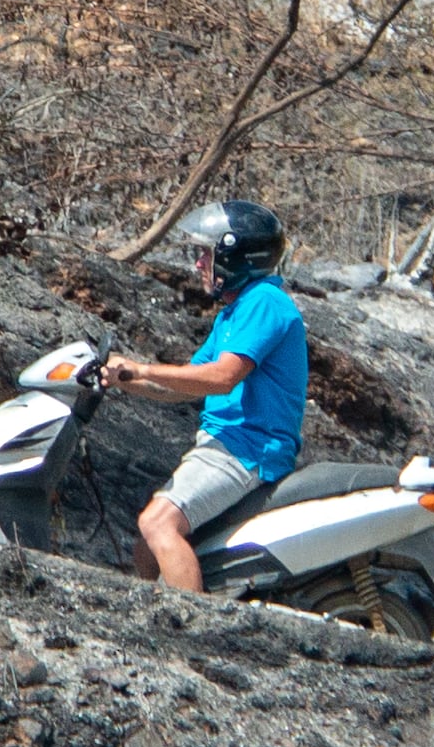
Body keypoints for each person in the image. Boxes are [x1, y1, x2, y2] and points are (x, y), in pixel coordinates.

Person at [97, 198, 304, 594]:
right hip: (224, 446)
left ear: (235, 258)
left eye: (206, 255)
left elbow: (223, 378)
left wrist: (142, 368)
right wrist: (123, 378)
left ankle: (193, 628)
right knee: (146, 547)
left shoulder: (264, 302)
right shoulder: (234, 312)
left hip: (248, 449)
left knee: (158, 523)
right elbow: (187, 383)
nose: (198, 264)